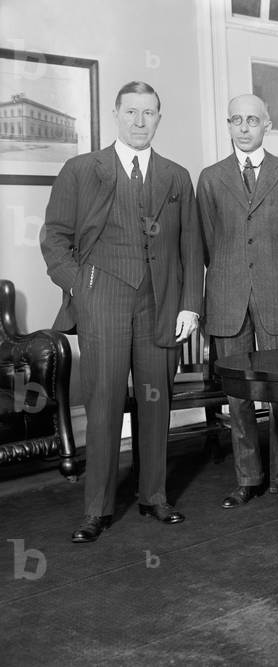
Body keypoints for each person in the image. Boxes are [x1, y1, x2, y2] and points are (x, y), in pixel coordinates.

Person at [41, 81, 202, 542]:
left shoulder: (176, 176)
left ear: (158, 118)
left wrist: (190, 306)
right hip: (103, 300)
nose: (139, 121)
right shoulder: (81, 170)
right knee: (104, 403)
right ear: (115, 114)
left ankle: (155, 496)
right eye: (131, 112)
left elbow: (191, 247)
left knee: (156, 401)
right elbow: (54, 238)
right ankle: (97, 509)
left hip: (161, 303)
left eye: (148, 112)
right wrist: (82, 287)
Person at [196, 93, 278, 510]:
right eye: (236, 120)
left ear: (267, 125)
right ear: (228, 125)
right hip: (228, 297)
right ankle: (248, 478)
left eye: (252, 120)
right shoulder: (210, 178)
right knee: (238, 394)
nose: (244, 128)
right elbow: (207, 243)